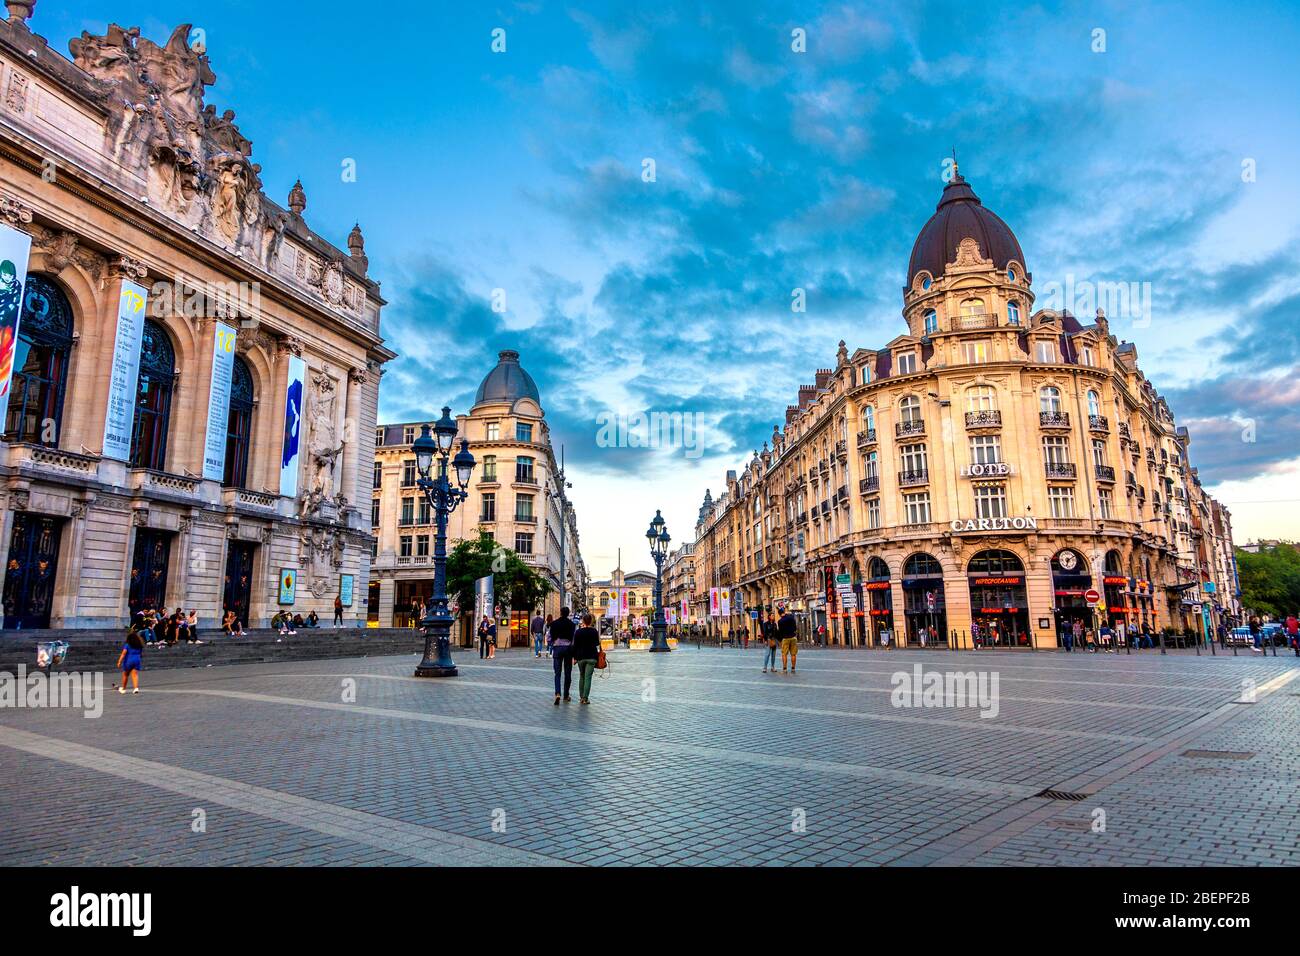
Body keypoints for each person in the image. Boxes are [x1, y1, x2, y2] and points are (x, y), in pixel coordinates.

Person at [549, 606, 577, 704]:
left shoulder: (554, 624)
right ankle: (566, 695)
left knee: (557, 673)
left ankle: (557, 693)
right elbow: (573, 640)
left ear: (560, 613)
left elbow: (550, 637)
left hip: (557, 648)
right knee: (567, 673)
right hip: (568, 649)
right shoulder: (572, 625)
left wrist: (553, 643)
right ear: (568, 613)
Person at [573, 613, 602, 705]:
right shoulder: (594, 631)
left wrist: (574, 658)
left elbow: (575, 646)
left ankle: (581, 697)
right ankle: (585, 698)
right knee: (588, 677)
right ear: (591, 621)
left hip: (580, 657)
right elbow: (597, 645)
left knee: (582, 676)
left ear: (583, 621)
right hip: (591, 657)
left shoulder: (578, 632)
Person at [117, 626, 145, 695]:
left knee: (125, 674)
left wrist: (119, 661)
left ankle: (123, 689)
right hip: (137, 659)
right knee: (135, 674)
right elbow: (141, 654)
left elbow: (123, 654)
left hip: (129, 660)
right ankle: (136, 688)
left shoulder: (127, 645)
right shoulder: (139, 645)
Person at [777, 606, 798, 674]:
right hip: (793, 637)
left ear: (779, 614)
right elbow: (795, 627)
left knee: (784, 654)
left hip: (785, 638)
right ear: (784, 612)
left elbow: (780, 632)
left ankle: (785, 669)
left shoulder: (780, 621)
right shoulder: (791, 617)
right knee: (793, 654)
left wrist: (780, 640)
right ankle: (793, 668)